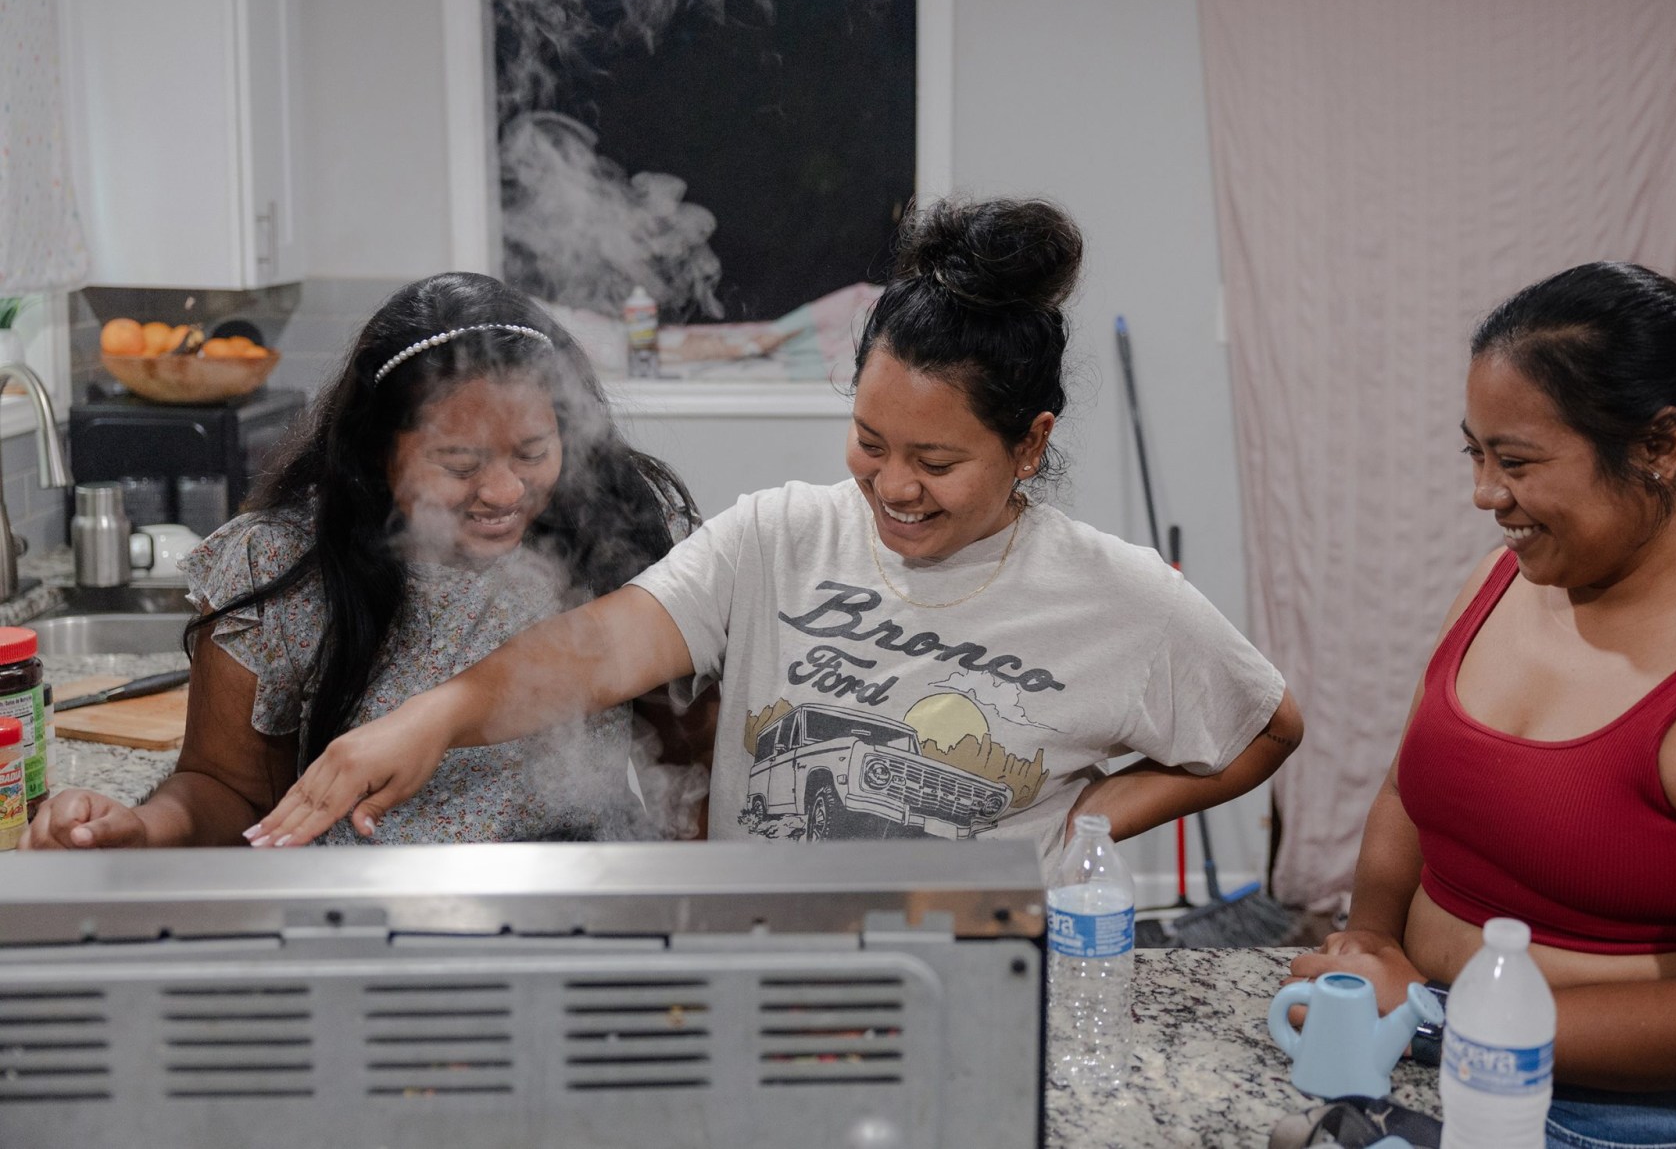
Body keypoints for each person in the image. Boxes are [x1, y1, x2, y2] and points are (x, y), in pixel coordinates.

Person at [244, 198, 1305, 874]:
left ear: (1030, 445)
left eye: (937, 463)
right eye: (868, 439)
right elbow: (597, 648)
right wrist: (432, 717)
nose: (893, 486)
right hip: (770, 962)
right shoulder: (778, 536)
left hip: (981, 964)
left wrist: (1086, 825)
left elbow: (1265, 724)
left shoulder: (1110, 591)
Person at [1288, 263, 1676, 1147]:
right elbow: (1412, 795)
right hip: (1435, 1065)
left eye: (1515, 461)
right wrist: (1367, 947)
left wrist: (1444, 1018)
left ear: (1660, 447)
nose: (1485, 494)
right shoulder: (1500, 584)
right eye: (1475, 454)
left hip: (1633, 1127)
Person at [24, 272, 704, 850]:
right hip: (365, 929)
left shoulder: (619, 536)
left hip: (584, 917)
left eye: (531, 452)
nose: (503, 491)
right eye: (459, 463)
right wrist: (141, 830)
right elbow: (225, 790)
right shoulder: (279, 567)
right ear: (378, 452)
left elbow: (691, 764)